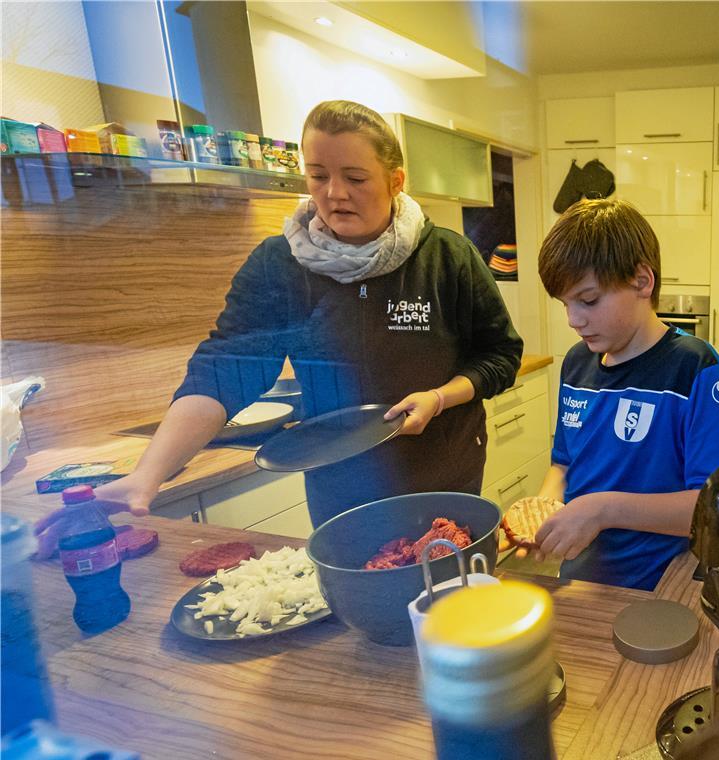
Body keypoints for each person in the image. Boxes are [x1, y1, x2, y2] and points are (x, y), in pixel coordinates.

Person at [35, 100, 522, 555]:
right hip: (339, 483)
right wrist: (149, 474)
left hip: (442, 472)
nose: (335, 193)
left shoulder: (446, 257)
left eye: (355, 177)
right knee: (356, 600)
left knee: (445, 596)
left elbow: (500, 355)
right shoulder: (281, 265)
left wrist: (439, 397)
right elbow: (226, 369)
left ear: (395, 181)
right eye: (318, 176)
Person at [526, 198, 719, 590]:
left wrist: (603, 509)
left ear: (642, 281)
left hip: (663, 588)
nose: (574, 320)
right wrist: (543, 508)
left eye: (588, 300)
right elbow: (563, 465)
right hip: (581, 580)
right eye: (566, 304)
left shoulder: (696, 370)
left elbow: (713, 508)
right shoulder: (577, 364)